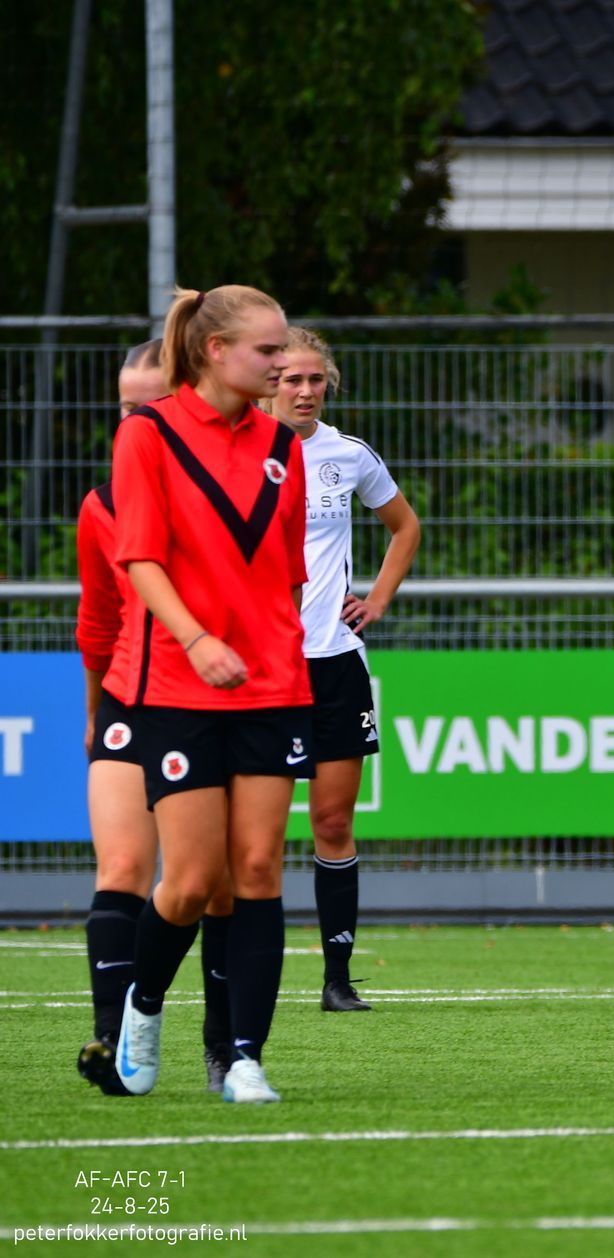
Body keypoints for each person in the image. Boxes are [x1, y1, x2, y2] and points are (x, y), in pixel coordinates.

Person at [94, 285, 312, 1104]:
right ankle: (143, 1007)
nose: (284, 363)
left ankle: (245, 1057)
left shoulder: (283, 445)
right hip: (182, 686)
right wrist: (196, 638)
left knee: (257, 868)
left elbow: (286, 573)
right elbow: (139, 559)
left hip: (273, 686)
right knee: (189, 882)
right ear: (216, 351)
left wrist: (279, 652)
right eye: (269, 350)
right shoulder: (147, 434)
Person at [75, 340, 237, 1097]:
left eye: (148, 406)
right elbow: (98, 620)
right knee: (122, 870)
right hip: (129, 699)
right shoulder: (101, 505)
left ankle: (225, 1048)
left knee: (212, 885)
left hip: (210, 701)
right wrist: (94, 710)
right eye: (124, 408)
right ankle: (116, 1043)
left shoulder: (229, 487)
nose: (133, 422)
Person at [269, 327, 420, 1012]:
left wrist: (378, 600)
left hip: (334, 663)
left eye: (315, 379)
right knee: (256, 838)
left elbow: (405, 526)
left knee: (332, 822)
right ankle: (245, 975)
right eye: (290, 379)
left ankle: (337, 979)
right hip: (264, 670)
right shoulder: (239, 453)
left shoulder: (348, 455)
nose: (304, 391)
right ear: (267, 384)